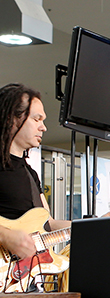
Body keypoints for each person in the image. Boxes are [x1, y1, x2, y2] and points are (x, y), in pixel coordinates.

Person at [0, 84, 71, 259]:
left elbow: (49, 224)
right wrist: (5, 236)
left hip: (22, 280)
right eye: (37, 119)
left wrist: (97, 225)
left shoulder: (30, 173)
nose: (44, 127)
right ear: (12, 119)